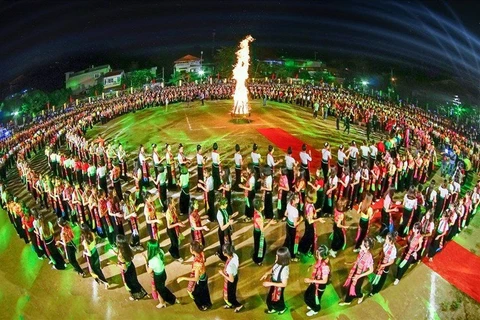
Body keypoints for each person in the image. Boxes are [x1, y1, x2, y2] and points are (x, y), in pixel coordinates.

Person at [177, 241, 212, 311]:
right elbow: (200, 262)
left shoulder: (197, 263)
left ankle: (202, 306)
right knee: (205, 291)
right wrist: (188, 263)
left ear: (192, 251)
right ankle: (208, 304)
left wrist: (183, 278)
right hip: (204, 276)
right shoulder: (201, 253)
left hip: (201, 280)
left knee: (195, 294)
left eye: (190, 248)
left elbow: (196, 278)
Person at [339, 237, 374, 306]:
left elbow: (371, 270)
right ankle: (347, 301)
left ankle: (360, 295)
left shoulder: (369, 257)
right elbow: (358, 261)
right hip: (356, 271)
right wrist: (352, 263)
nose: (360, 245)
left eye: (362, 245)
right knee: (350, 287)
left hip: (360, 275)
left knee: (356, 289)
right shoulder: (362, 251)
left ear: (367, 247)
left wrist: (359, 276)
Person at [145, 239, 178, 308]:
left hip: (158, 277)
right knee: (162, 288)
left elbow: (149, 271)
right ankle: (167, 300)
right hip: (163, 273)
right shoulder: (161, 251)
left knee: (161, 290)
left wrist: (145, 261)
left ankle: (169, 301)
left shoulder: (152, 260)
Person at [116, 235, 148, 301]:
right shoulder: (127, 248)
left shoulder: (121, 255)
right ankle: (142, 293)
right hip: (131, 266)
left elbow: (124, 268)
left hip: (127, 271)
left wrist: (116, 265)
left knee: (129, 284)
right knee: (134, 281)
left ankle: (135, 296)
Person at [261, 247, 291, 315]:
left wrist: (270, 283)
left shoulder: (284, 270)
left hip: (278, 286)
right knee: (272, 299)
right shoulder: (278, 263)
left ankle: (282, 309)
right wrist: (267, 273)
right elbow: (273, 269)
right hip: (274, 284)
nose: (276, 257)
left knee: (276, 299)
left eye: (278, 256)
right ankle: (273, 308)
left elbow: (284, 284)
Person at [303, 245, 330, 317]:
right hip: (315, 283)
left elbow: (324, 281)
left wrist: (311, 280)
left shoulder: (325, 267)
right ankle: (312, 305)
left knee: (310, 298)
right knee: (309, 295)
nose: (316, 256)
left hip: (319, 286)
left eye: (317, 254)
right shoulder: (321, 261)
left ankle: (315, 309)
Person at [81, 224, 109, 288]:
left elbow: (89, 254)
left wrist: (85, 253)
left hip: (91, 256)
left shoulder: (85, 241)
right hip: (95, 252)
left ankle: (104, 281)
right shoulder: (92, 234)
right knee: (98, 268)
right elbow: (95, 243)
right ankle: (103, 281)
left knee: (94, 270)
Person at [219, 243, 244, 312]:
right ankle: (230, 304)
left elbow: (231, 280)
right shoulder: (234, 255)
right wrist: (225, 266)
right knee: (231, 293)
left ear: (224, 253)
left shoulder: (230, 267)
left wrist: (222, 273)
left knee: (230, 296)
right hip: (234, 275)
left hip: (231, 280)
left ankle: (238, 305)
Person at [283, 193, 303, 262]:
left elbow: (285, 214)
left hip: (288, 224)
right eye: (297, 198)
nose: (298, 199)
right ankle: (292, 256)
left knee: (288, 238)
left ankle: (284, 249)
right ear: (294, 200)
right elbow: (295, 224)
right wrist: (300, 220)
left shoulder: (289, 204)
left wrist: (290, 216)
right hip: (292, 227)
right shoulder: (295, 211)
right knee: (292, 242)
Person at [252, 199, 272, 266]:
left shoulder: (256, 212)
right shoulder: (259, 217)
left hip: (256, 231)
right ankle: (258, 260)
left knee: (257, 246)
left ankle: (256, 258)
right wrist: (270, 223)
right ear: (260, 207)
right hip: (259, 233)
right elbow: (262, 229)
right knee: (261, 247)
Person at [165, 197, 185, 262]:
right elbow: (169, 226)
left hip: (175, 228)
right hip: (171, 230)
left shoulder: (173, 209)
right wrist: (178, 224)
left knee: (175, 242)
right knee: (175, 243)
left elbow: (176, 217)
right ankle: (177, 256)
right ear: (169, 204)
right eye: (173, 202)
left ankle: (171, 250)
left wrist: (179, 221)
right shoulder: (168, 213)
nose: (175, 203)